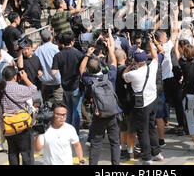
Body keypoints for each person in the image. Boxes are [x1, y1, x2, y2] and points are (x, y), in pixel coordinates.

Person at [80, 30, 120, 165]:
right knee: (115, 141)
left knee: (96, 142)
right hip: (113, 113)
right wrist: (110, 49)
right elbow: (114, 61)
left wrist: (87, 55)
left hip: (99, 114)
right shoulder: (109, 77)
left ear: (89, 71)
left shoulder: (90, 81)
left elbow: (81, 70)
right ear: (101, 68)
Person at [123, 38, 164, 165]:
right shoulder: (152, 66)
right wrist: (151, 43)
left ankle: (146, 158)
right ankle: (156, 152)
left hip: (142, 105)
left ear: (135, 60)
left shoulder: (134, 74)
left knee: (142, 131)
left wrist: (130, 66)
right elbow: (156, 56)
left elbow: (124, 76)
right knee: (152, 127)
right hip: (153, 101)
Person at [0, 66, 37, 165]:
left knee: (13, 154)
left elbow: (0, 110)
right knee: (26, 155)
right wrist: (25, 78)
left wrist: (3, 128)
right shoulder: (18, 88)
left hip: (8, 127)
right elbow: (33, 90)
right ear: (15, 77)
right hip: (22, 127)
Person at [51, 32, 84, 135]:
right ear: (72, 41)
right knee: (76, 110)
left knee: (68, 110)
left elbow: (53, 72)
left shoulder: (58, 55)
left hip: (65, 86)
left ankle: (68, 131)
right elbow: (82, 69)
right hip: (76, 85)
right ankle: (75, 133)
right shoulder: (78, 54)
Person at [114, 49, 137, 160]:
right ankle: (130, 151)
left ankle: (123, 149)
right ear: (124, 57)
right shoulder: (126, 71)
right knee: (131, 130)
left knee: (122, 128)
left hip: (119, 103)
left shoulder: (113, 70)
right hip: (129, 103)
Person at [34, 30, 63, 103]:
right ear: (51, 37)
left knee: (45, 99)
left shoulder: (38, 50)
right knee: (59, 100)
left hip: (44, 79)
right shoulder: (55, 48)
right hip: (56, 77)